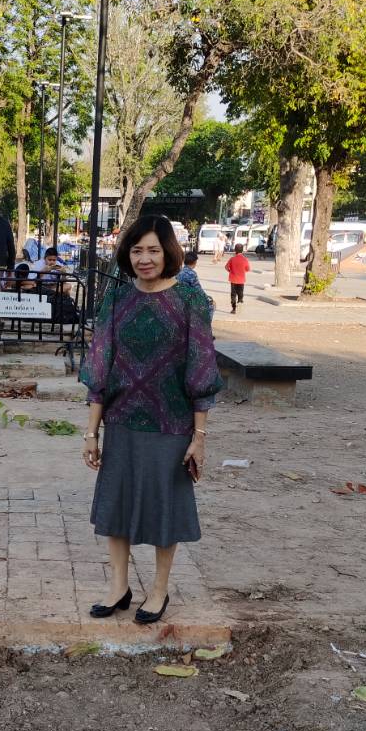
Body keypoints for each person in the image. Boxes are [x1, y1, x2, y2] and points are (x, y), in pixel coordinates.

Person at [80, 214, 223, 626]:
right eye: (137, 250)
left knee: (164, 507)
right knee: (117, 503)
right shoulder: (117, 298)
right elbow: (100, 366)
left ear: (169, 253)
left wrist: (199, 437)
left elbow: (200, 369)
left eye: (153, 250)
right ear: (128, 254)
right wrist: (91, 431)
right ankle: (118, 588)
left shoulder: (189, 300)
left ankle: (158, 590)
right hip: (121, 419)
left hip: (171, 423)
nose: (145, 258)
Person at [224, 243, 250, 314]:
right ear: (242, 251)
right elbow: (248, 269)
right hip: (241, 280)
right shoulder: (245, 259)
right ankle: (240, 301)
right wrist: (242, 271)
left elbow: (226, 267)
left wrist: (230, 271)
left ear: (235, 250)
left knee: (233, 294)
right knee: (240, 292)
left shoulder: (232, 259)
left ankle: (234, 308)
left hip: (233, 279)